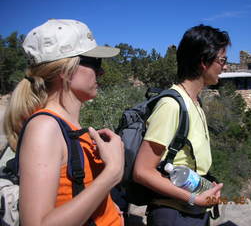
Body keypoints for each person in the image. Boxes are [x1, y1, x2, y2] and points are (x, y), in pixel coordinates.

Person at [4, 19, 125, 226]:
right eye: (95, 63)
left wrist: (107, 206)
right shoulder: (44, 128)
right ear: (66, 70)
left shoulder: (67, 126)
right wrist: (112, 174)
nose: (102, 72)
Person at [133, 24, 231, 226]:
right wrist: (193, 198)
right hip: (174, 215)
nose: (225, 66)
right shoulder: (171, 106)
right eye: (222, 60)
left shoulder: (194, 102)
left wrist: (204, 185)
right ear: (204, 62)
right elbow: (142, 171)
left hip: (192, 211)